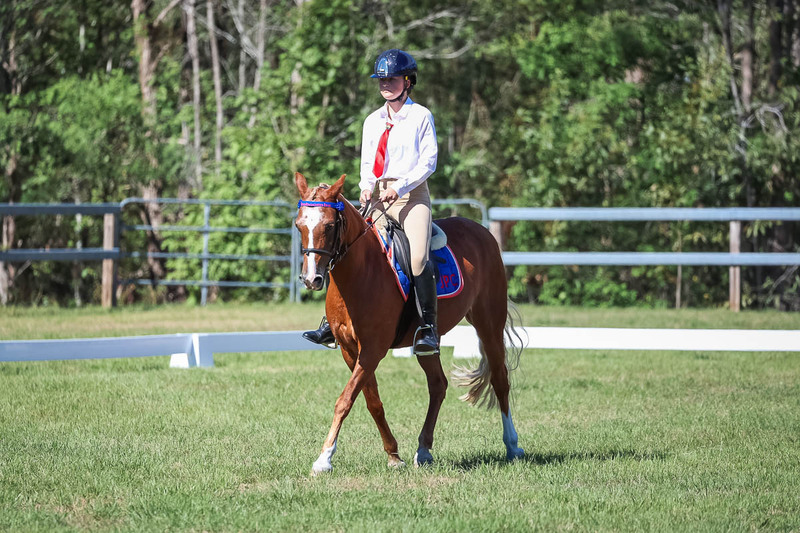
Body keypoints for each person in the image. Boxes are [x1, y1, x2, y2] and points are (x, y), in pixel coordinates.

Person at [303, 48, 440, 355]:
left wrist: (400, 186)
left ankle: (429, 328)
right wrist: (366, 188)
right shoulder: (372, 120)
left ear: (407, 81)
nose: (384, 85)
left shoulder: (421, 116)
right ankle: (331, 322)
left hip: (411, 196)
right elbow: (367, 164)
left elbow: (429, 162)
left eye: (391, 79)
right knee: (347, 245)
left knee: (418, 257)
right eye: (380, 80)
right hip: (376, 195)